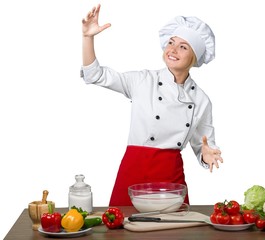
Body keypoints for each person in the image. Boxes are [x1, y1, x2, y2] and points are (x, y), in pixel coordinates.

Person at [81, 4, 223, 206]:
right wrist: (88, 37)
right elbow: (95, 75)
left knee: (173, 234)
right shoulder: (142, 81)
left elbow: (205, 144)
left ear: (195, 57)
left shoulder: (201, 100)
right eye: (171, 43)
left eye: (183, 47)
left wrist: (207, 153)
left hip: (170, 178)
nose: (172, 50)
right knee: (119, 233)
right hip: (134, 169)